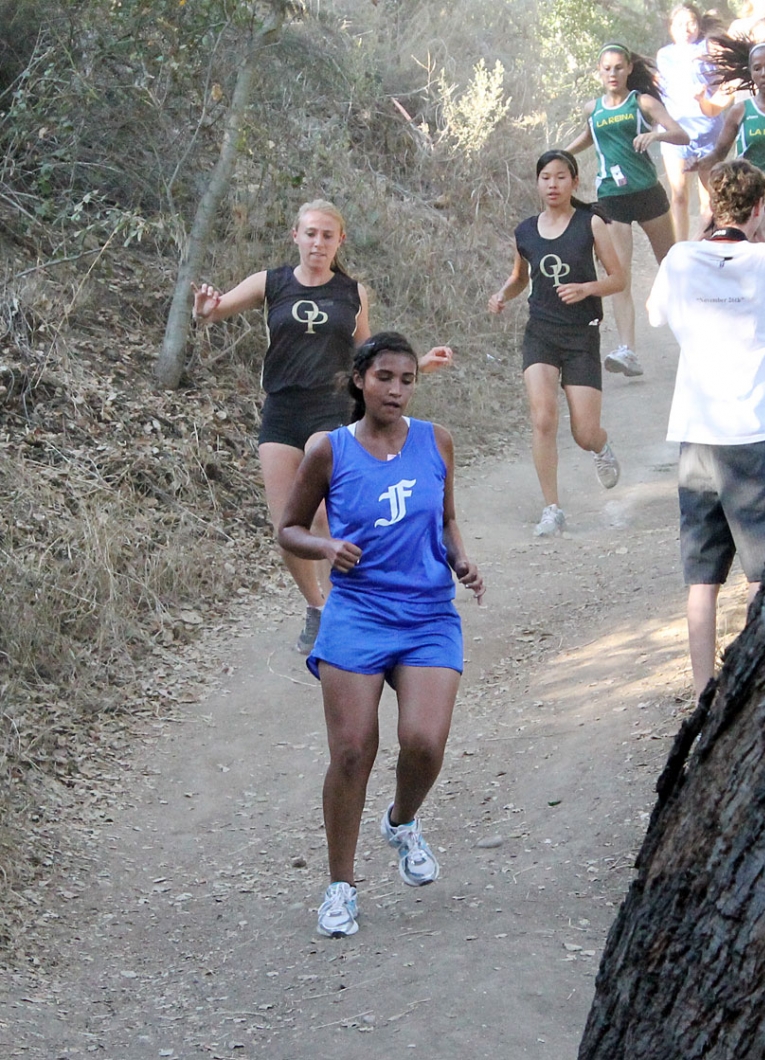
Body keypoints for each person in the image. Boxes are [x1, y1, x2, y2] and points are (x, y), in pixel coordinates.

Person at [277, 331, 485, 938]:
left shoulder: (436, 441)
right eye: (385, 378)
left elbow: (446, 518)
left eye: (407, 380)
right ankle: (340, 887)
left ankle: (402, 822)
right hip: (359, 614)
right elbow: (289, 528)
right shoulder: (329, 449)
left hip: (427, 615)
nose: (396, 389)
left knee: (423, 743)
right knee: (351, 751)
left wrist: (460, 561)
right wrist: (325, 545)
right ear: (360, 380)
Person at [192, 200, 452, 654]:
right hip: (281, 409)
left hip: (330, 409)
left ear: (339, 241)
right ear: (295, 235)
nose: (318, 243)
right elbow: (214, 311)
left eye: (327, 236)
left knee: (319, 513)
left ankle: (353, 606)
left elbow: (368, 353)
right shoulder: (271, 283)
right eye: (310, 233)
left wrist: (418, 367)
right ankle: (318, 607)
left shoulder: (352, 292)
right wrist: (204, 307)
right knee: (286, 525)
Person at [646, 159, 765, 702]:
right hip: (756, 429)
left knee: (702, 575)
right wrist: (761, 238)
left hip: (697, 431)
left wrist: (695, 239)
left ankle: (701, 692)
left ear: (711, 205)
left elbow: (656, 316)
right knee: (762, 569)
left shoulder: (680, 258)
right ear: (761, 207)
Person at [488, 150, 626, 537]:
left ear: (574, 182)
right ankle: (552, 508)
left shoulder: (591, 224)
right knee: (543, 418)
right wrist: (502, 295)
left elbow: (619, 279)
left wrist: (586, 288)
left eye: (561, 177)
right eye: (546, 177)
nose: (553, 184)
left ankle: (601, 446)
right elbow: (520, 278)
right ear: (537, 183)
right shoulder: (525, 231)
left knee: (584, 432)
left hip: (581, 333)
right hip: (541, 332)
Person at [564, 43, 689, 378]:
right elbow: (590, 136)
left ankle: (694, 338)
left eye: (618, 67)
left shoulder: (642, 102)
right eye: (606, 68)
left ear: (629, 68)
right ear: (598, 72)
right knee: (619, 276)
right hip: (612, 196)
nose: (612, 74)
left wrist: (655, 136)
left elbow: (682, 134)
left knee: (672, 266)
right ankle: (627, 350)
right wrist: (560, 155)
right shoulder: (593, 108)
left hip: (647, 191)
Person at [693, 38, 765, 373]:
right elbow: (719, 153)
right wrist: (706, 170)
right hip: (748, 195)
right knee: (743, 273)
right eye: (758, 68)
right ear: (751, 73)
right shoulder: (741, 110)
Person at [656, 4, 724, 242]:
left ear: (699, 25)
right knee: (679, 195)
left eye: (691, 23)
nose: (686, 29)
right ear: (671, 28)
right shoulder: (664, 55)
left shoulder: (709, 48)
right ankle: (681, 246)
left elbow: (724, 82)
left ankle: (704, 244)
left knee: (709, 196)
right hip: (675, 131)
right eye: (679, 24)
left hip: (708, 131)